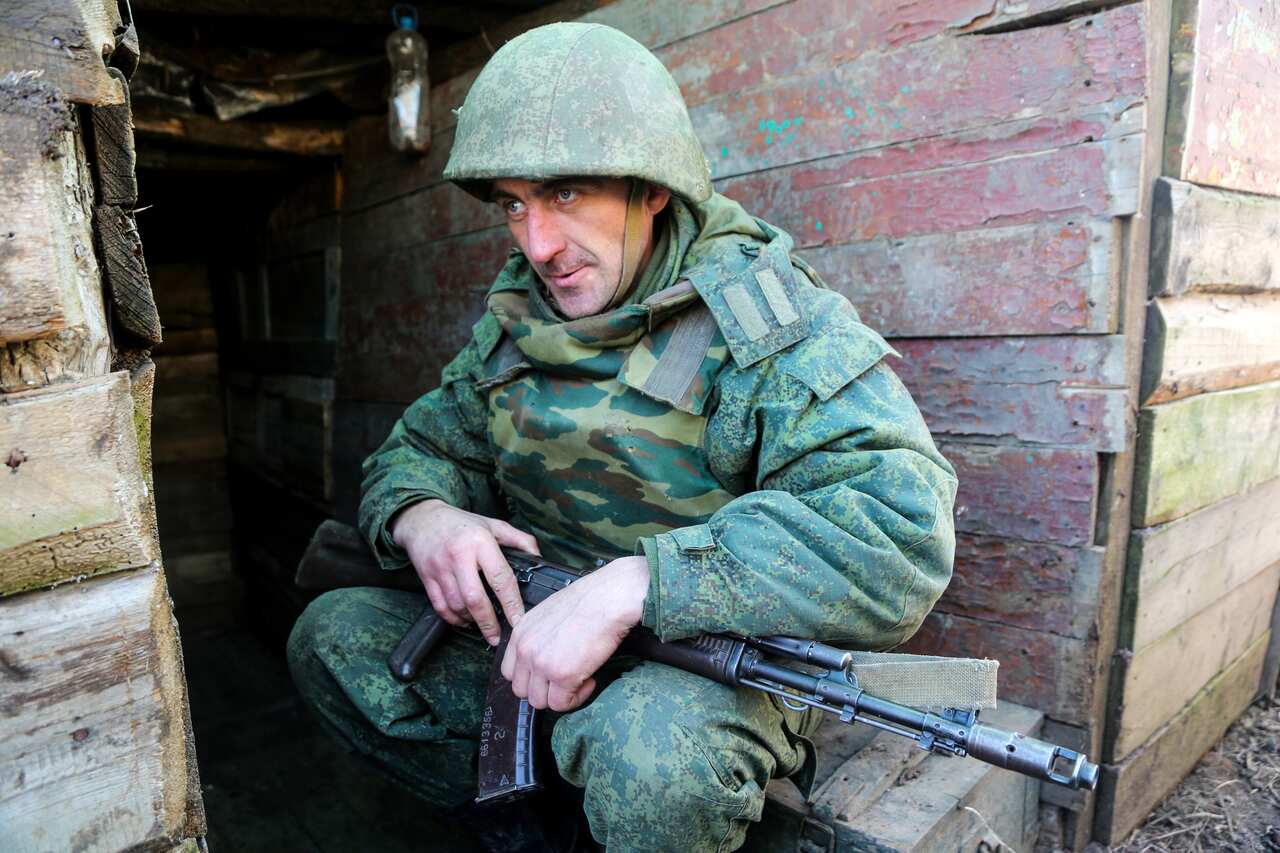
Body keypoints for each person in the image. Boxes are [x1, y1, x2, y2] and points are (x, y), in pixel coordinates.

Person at [287, 21, 957, 853]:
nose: (538, 244)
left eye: (566, 193)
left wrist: (637, 584)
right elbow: (417, 449)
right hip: (533, 629)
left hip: (703, 659)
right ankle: (545, 828)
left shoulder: (758, 319)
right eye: (514, 204)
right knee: (334, 638)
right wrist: (425, 517)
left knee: (650, 757)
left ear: (652, 189)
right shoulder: (516, 325)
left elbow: (900, 529)